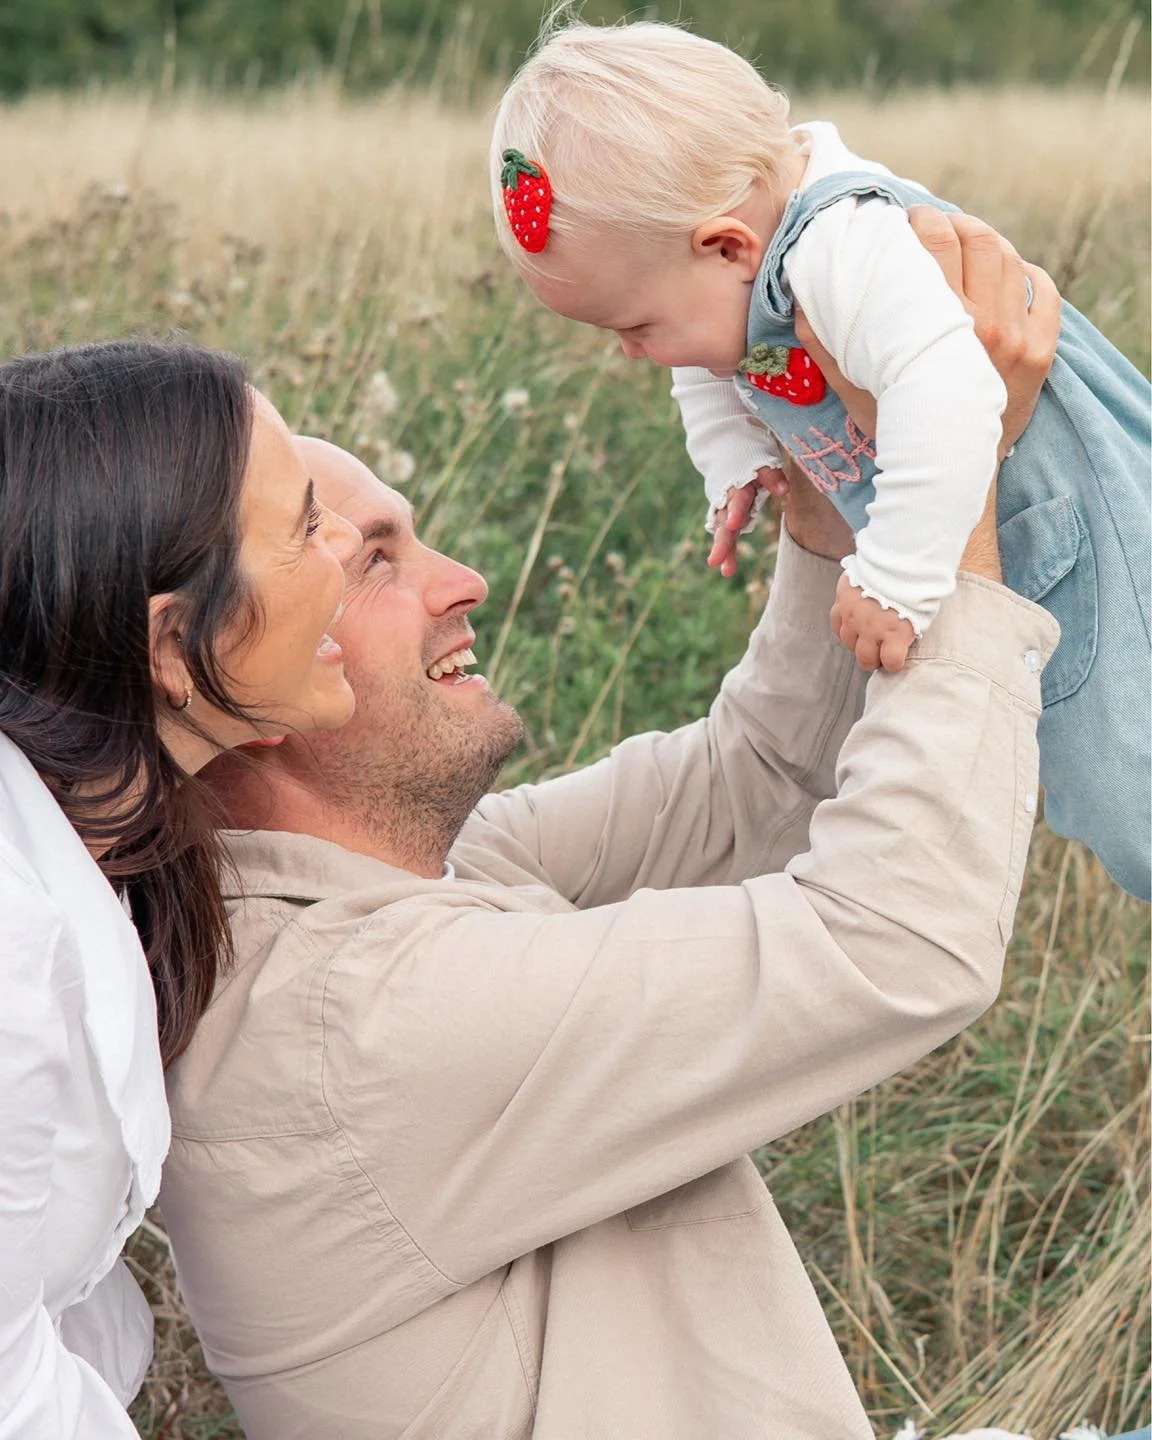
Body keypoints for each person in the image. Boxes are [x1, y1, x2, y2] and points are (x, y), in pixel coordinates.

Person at [159, 214, 1062, 1439]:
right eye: (368, 562)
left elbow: (757, 779)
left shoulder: (374, 881)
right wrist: (952, 507)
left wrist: (831, 490)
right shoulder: (353, 1024)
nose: (461, 580)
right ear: (217, 666)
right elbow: (894, 940)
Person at [488, 17, 1152, 902]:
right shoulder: (734, 269)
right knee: (1076, 775)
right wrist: (733, 457)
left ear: (728, 245)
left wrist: (896, 578)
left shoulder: (841, 243)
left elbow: (952, 393)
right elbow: (708, 365)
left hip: (1073, 524)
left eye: (634, 327)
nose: (635, 355)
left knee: (1128, 785)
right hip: (1005, 531)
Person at [0, 338, 361, 1438]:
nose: (344, 544)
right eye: (304, 525)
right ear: (172, 645)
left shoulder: (110, 843)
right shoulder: (9, 943)